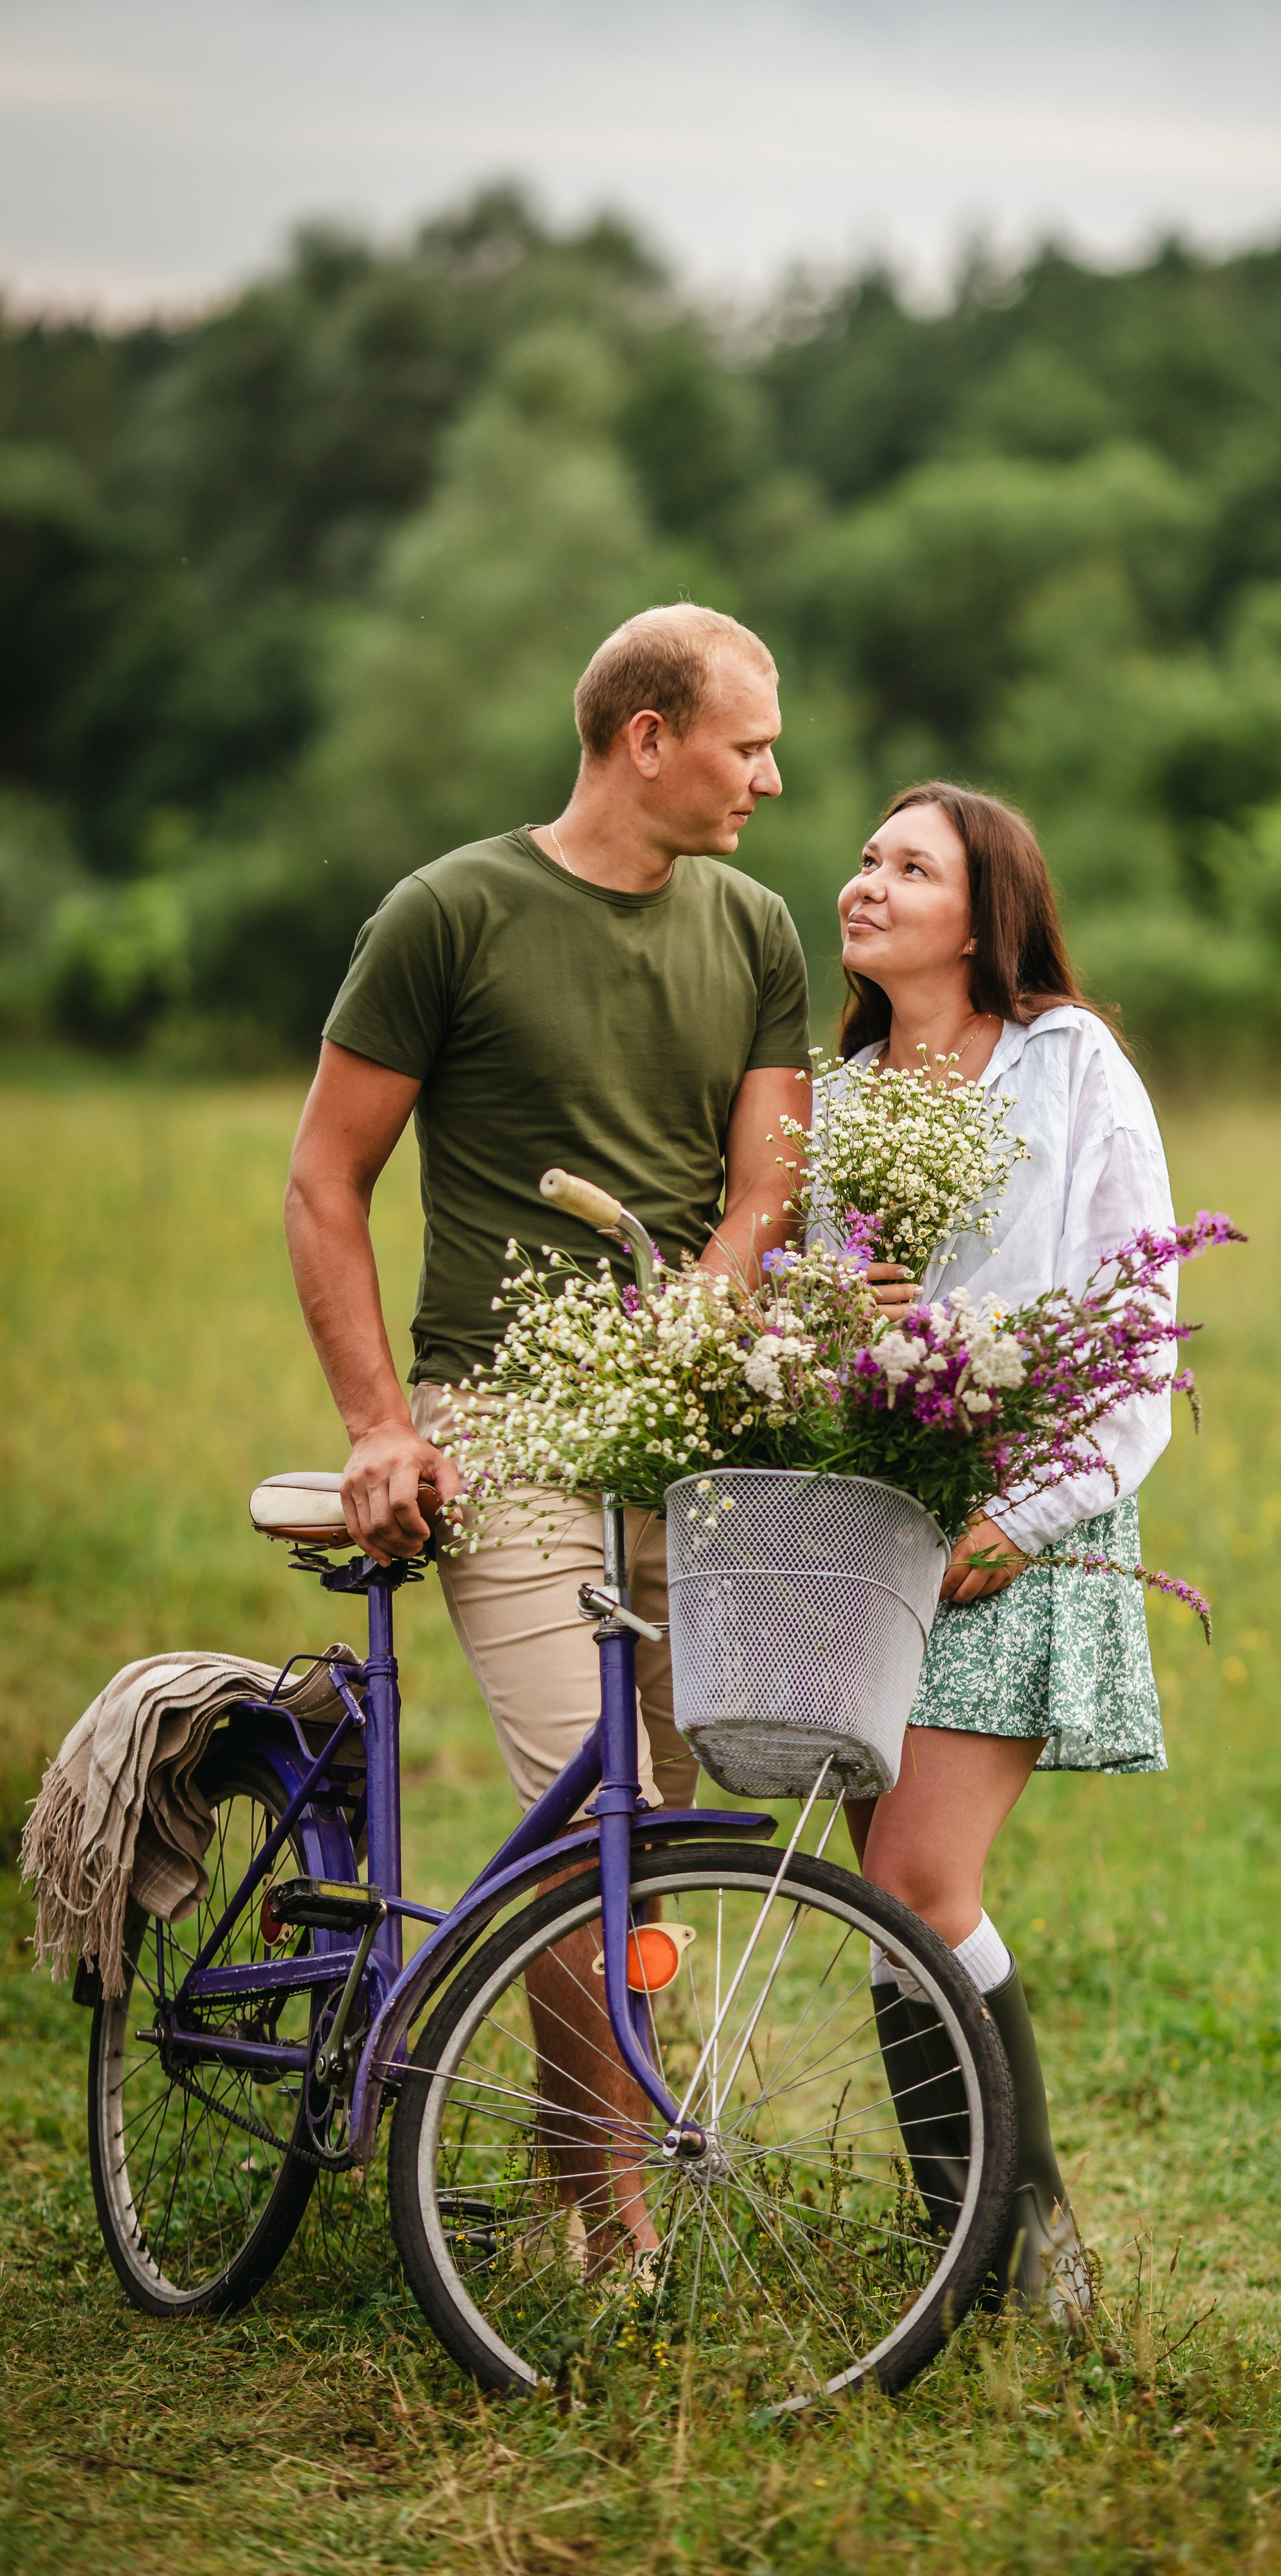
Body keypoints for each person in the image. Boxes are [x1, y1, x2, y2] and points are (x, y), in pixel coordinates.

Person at [285, 602, 811, 2262]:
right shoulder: (450, 912)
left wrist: (710, 1297)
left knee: (659, 1815)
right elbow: (323, 1179)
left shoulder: (757, 929)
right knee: (594, 1817)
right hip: (500, 1422)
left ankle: (585, 2185)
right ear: (645, 737)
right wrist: (379, 1423)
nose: (770, 778)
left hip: (689, 1438)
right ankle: (619, 2225)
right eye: (746, 743)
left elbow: (763, 1192)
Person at [823, 783, 1178, 2321]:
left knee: (914, 1872)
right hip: (870, 1507)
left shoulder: (1065, 1062)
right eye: (863, 858)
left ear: (984, 913)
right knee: (882, 1893)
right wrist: (841, 1310)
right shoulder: (833, 1095)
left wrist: (1019, 1514)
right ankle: (960, 2247)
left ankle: (1032, 2246)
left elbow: (1137, 1323)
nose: (867, 882)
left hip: (1023, 1510)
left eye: (912, 866)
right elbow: (801, 1302)